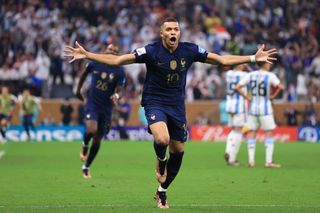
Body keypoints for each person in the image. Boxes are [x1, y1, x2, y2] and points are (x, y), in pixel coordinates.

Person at [64, 17, 277, 209]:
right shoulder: (150, 51)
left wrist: (252, 58)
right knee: (162, 138)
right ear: (162, 33)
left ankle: (162, 192)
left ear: (179, 33)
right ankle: (160, 159)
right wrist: (87, 55)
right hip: (154, 102)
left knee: (179, 151)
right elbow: (118, 60)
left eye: (176, 29)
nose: (173, 32)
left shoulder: (190, 50)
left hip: (176, 106)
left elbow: (221, 60)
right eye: (169, 29)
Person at [76, 43, 126, 179]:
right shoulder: (95, 63)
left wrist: (116, 95)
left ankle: (86, 167)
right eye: (110, 49)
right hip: (92, 104)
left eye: (115, 50)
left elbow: (120, 88)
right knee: (91, 130)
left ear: (117, 55)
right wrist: (78, 90)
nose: (111, 51)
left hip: (107, 108)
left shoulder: (119, 70)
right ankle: (85, 144)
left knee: (98, 139)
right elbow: (83, 75)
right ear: (105, 50)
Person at [235, 62, 284, 168]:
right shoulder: (270, 75)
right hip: (265, 109)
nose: (270, 65)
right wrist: (272, 96)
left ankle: (251, 161)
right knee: (269, 133)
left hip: (253, 108)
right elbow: (281, 86)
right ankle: (268, 161)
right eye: (268, 63)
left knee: (252, 133)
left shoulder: (251, 75)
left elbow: (237, 87)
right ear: (265, 65)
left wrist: (247, 97)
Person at [224, 64, 248, 166]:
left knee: (233, 130)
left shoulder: (228, 74)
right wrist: (248, 67)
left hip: (229, 105)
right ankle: (232, 159)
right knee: (239, 131)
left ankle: (228, 151)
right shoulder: (244, 75)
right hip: (239, 106)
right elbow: (255, 75)